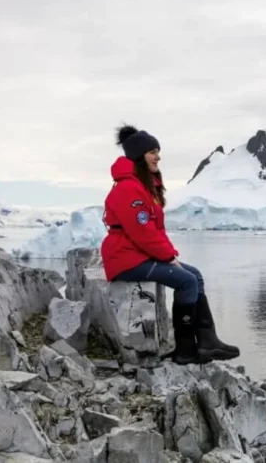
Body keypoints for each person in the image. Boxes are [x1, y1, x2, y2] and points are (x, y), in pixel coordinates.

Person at [100, 125, 239, 365]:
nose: (158, 157)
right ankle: (185, 349)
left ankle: (207, 341)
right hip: (125, 258)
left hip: (136, 254)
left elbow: (155, 230)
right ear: (139, 155)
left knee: (195, 275)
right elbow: (142, 232)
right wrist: (167, 257)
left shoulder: (141, 185)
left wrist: (170, 254)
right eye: (153, 152)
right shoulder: (128, 188)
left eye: (158, 152)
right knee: (187, 281)